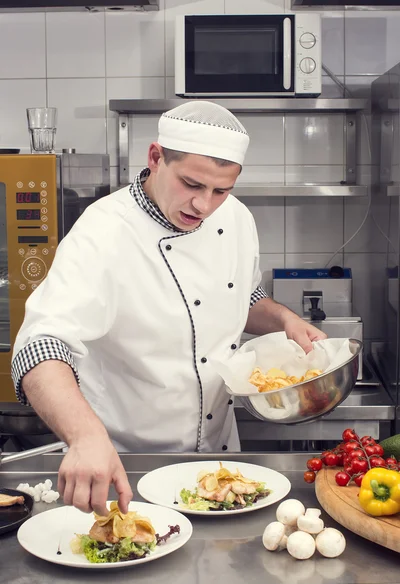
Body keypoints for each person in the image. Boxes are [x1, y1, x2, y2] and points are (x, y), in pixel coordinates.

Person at [11, 101, 326, 516]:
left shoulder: (236, 218)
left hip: (218, 460)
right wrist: (86, 437)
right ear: (156, 157)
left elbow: (242, 299)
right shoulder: (104, 230)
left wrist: (285, 319)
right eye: (192, 184)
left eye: (221, 189)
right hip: (126, 465)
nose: (205, 206)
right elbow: (40, 345)